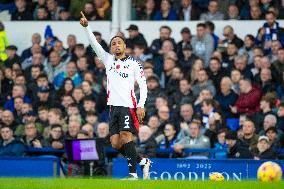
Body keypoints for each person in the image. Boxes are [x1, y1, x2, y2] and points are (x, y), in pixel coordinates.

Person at [80, 12, 150, 180]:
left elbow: (143, 85)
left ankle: (133, 175)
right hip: (113, 107)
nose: (116, 45)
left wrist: (140, 104)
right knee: (115, 143)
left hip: (128, 105)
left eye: (119, 42)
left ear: (125, 46)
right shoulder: (108, 60)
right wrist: (87, 27)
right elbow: (94, 43)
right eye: (113, 44)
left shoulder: (134, 63)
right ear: (111, 48)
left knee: (127, 136)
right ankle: (142, 161)